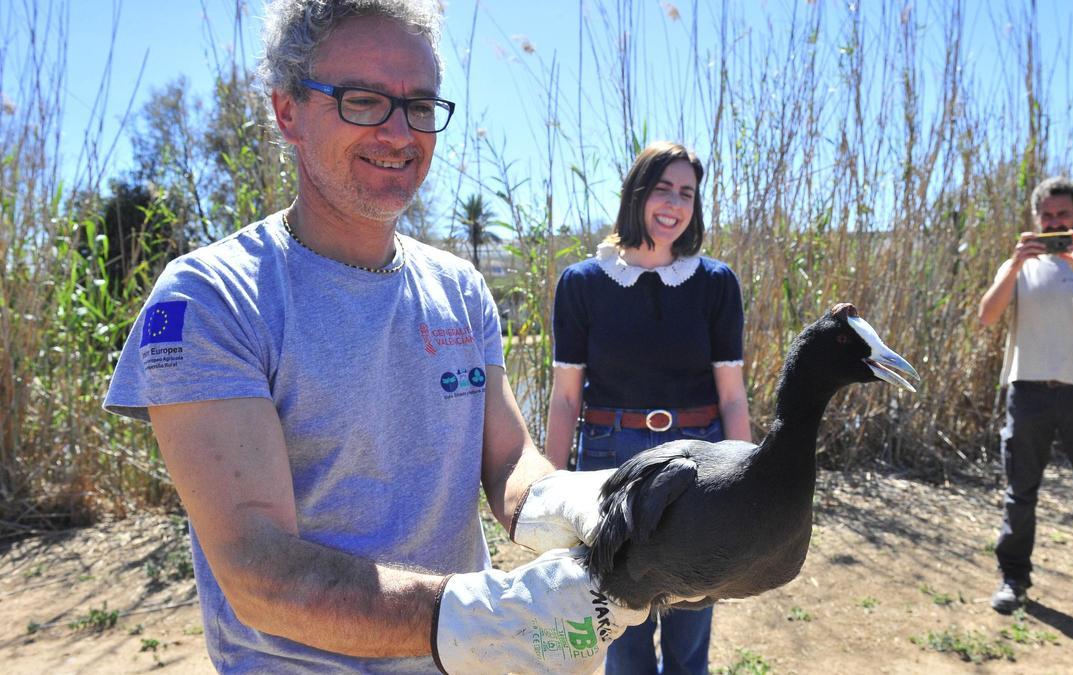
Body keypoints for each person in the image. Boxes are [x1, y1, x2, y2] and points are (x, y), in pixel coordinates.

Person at [102, 1, 646, 672]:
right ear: (288, 111)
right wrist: (482, 615)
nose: (398, 131)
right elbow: (257, 569)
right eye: (362, 100)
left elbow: (508, 461)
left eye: (419, 105)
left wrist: (588, 506)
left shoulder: (460, 289)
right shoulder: (213, 297)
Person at [545, 141, 753, 674]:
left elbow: (732, 396)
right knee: (620, 621)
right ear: (637, 192)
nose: (674, 204)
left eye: (687, 193)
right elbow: (566, 399)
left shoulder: (715, 284)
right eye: (663, 189)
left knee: (691, 610)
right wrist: (547, 492)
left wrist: (748, 486)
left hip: (698, 464)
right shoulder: (582, 284)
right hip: (610, 460)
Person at [978, 176, 1073, 623]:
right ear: (1035, 218)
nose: (1054, 222)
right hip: (1028, 390)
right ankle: (1013, 580)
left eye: (1063, 214)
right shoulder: (1019, 267)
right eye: (1046, 215)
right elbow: (986, 316)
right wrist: (1014, 265)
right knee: (1020, 493)